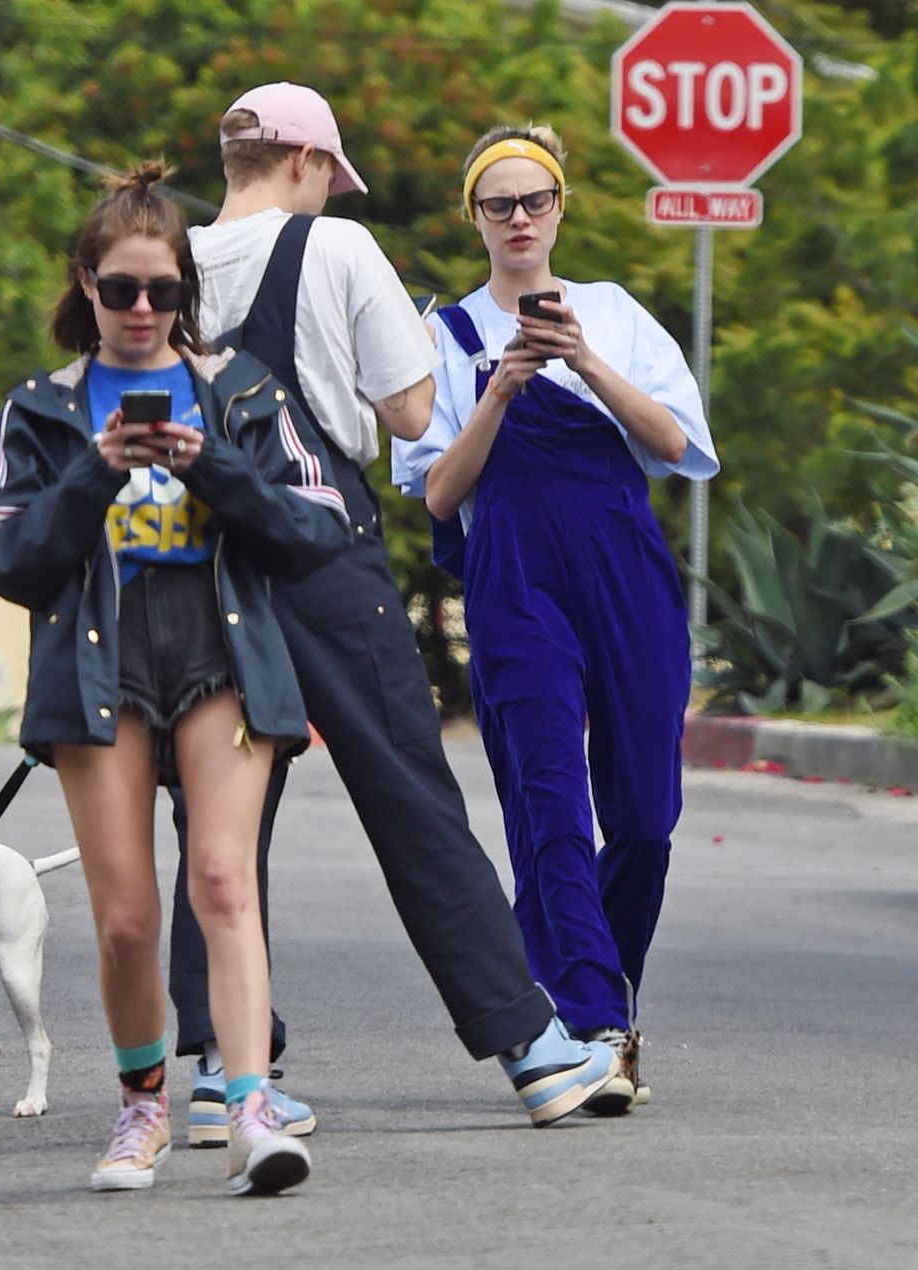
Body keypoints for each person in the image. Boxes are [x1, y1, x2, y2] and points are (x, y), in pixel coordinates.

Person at [165, 83, 621, 1137]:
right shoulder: (340, 251)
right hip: (323, 556)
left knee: (218, 819)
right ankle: (531, 1044)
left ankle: (218, 1066)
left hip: (203, 565)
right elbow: (411, 411)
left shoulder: (169, 261)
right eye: (330, 172)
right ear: (307, 162)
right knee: (412, 795)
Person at [0, 162, 352, 1196]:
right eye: (120, 288)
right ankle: (143, 1110)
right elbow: (0, 556)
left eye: (162, 291)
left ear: (186, 291)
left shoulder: (240, 389)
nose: (141, 311)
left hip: (220, 649)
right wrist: (93, 470)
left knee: (223, 879)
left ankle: (252, 1105)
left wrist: (210, 465)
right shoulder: (41, 408)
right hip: (102, 658)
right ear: (83, 284)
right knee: (127, 916)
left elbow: (318, 530)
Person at [394, 125, 717, 1114]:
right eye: (501, 205)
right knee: (548, 802)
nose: (520, 219)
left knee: (647, 817)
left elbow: (680, 443)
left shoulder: (615, 316)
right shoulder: (442, 338)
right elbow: (438, 493)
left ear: (561, 209)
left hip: (624, 570)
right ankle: (589, 1024)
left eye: (536, 201)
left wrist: (582, 359)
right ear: (476, 219)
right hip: (516, 581)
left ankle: (609, 990)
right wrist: (497, 392)